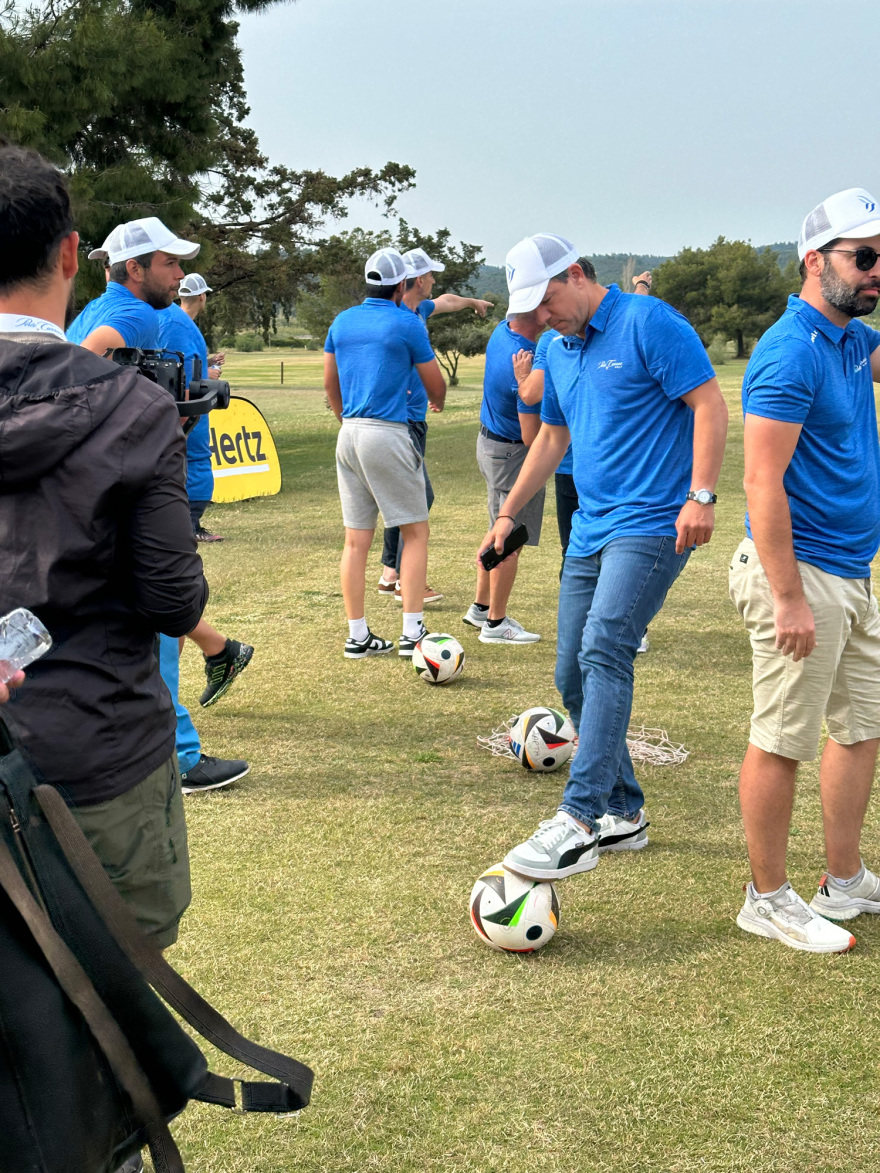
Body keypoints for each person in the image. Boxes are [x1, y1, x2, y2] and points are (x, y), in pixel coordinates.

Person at [0, 144, 204, 958]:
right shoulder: (133, 411)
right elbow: (172, 602)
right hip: (97, 756)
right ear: (71, 254)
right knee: (117, 1006)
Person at [481, 233, 726, 879]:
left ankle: (580, 818)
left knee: (606, 646)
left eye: (546, 300)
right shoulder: (558, 348)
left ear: (578, 273)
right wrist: (508, 513)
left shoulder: (649, 321)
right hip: (590, 528)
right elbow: (553, 437)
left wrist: (701, 494)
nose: (540, 317)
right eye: (528, 308)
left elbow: (709, 403)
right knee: (570, 673)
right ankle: (625, 812)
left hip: (652, 523)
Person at [729, 187, 880, 954]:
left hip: (851, 571)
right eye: (866, 256)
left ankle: (844, 879)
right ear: (814, 261)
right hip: (800, 573)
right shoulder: (790, 352)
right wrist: (787, 596)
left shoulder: (850, 340)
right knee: (782, 738)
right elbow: (761, 482)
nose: (877, 270)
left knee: (862, 728)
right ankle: (767, 896)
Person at [67, 218, 250, 788]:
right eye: (169, 264)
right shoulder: (134, 314)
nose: (179, 275)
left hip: (95, 481)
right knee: (162, 602)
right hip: (134, 481)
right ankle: (181, 754)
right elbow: (86, 362)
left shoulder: (99, 307)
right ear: (134, 269)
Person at [324, 247, 446, 658]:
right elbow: (436, 385)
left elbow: (330, 383)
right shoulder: (406, 322)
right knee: (415, 531)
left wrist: (345, 418)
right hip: (387, 432)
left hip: (349, 435)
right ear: (402, 285)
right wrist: (439, 399)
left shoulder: (341, 321)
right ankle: (413, 632)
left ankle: (357, 636)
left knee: (356, 540)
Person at [157, 273, 254, 708]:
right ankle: (219, 650)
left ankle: (168, 708)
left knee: (163, 588)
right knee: (157, 587)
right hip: (179, 467)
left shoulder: (174, 326)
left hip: (178, 469)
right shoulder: (177, 324)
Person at [378, 247, 493, 603]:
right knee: (417, 497)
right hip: (402, 423)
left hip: (413, 421)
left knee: (403, 496)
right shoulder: (398, 317)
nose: (434, 280)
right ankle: (404, 583)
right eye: (429, 275)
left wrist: (473, 301)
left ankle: (389, 573)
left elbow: (447, 301)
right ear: (415, 280)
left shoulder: (421, 310)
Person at [462, 306, 546, 645]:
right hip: (512, 455)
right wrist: (528, 382)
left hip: (491, 446)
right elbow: (532, 438)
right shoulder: (525, 360)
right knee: (510, 540)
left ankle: (481, 607)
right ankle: (496, 624)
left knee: (498, 525)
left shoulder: (502, 330)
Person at [159, 272, 225, 543]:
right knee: (197, 459)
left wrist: (206, 362)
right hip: (188, 407)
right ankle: (192, 525)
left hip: (165, 406)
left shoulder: (168, 320)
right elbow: (184, 374)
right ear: (202, 296)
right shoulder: (181, 325)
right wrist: (210, 371)